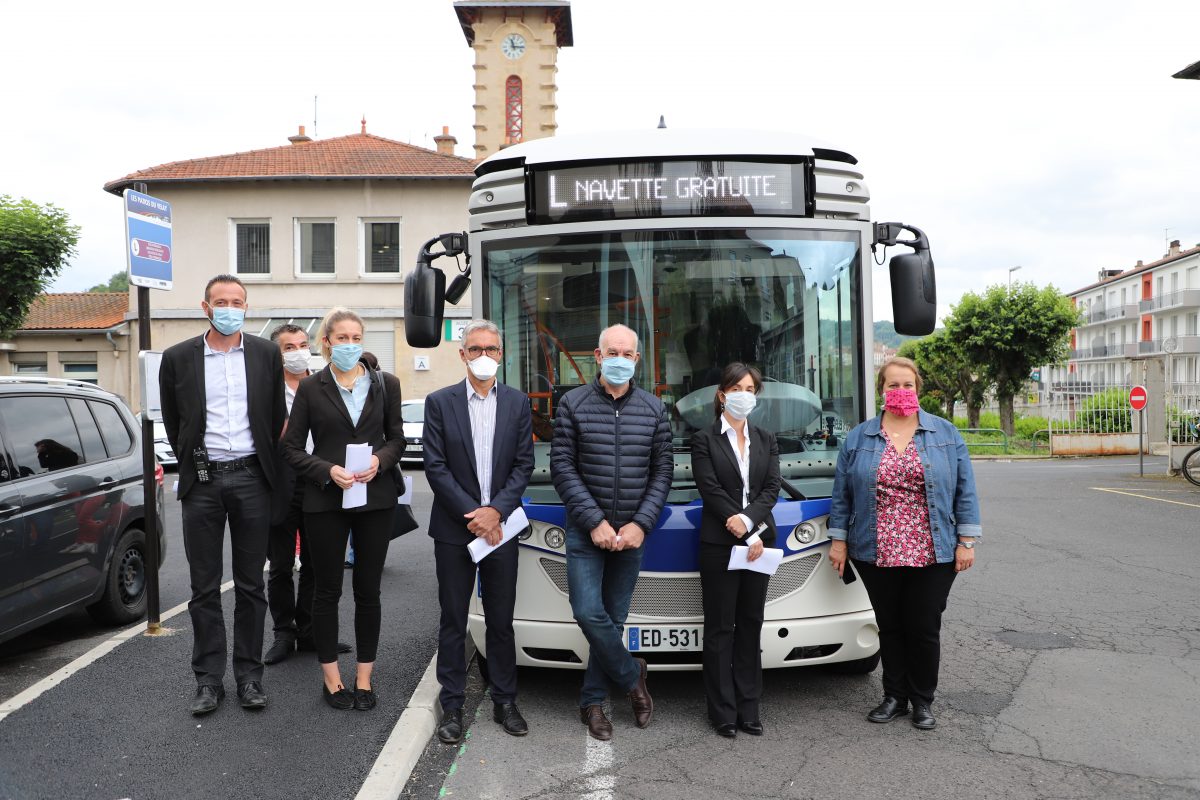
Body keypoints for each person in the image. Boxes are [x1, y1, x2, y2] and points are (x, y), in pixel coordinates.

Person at [827, 356, 981, 731]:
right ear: (881, 390)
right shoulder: (859, 437)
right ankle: (894, 696)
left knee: (924, 625)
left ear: (918, 389)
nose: (900, 392)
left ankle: (922, 701)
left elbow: (965, 490)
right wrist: (839, 541)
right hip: (875, 548)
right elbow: (842, 495)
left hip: (934, 549)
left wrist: (967, 540)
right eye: (892, 385)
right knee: (890, 626)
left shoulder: (945, 434)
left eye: (907, 385)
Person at [159, 274, 287, 715]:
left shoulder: (267, 353)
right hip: (203, 482)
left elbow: (275, 418)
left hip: (253, 478)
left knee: (252, 585)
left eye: (238, 301)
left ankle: (250, 677)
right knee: (204, 587)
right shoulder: (178, 358)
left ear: (246, 307)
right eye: (221, 301)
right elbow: (175, 421)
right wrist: (195, 460)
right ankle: (208, 681)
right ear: (205, 306)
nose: (230, 307)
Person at [550, 323, 672, 741]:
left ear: (637, 360)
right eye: (612, 352)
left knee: (614, 619)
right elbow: (562, 468)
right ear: (598, 357)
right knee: (588, 612)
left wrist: (641, 524)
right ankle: (631, 674)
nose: (620, 359)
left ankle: (593, 703)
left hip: (633, 534)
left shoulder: (655, 410)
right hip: (587, 533)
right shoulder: (572, 404)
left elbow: (663, 473)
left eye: (628, 353)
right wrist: (595, 522)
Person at [281, 308, 405, 711]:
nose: (349, 345)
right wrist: (327, 470)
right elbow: (292, 448)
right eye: (342, 338)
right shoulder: (311, 388)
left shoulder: (386, 384)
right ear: (327, 342)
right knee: (327, 589)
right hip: (326, 500)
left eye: (356, 338)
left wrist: (380, 462)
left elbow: (397, 438)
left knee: (368, 590)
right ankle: (332, 680)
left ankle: (364, 679)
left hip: (375, 497)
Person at [424, 320, 535, 745]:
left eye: (491, 348)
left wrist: (496, 513)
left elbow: (523, 464)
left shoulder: (517, 402)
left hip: (502, 530)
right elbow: (435, 466)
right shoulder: (440, 402)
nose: (484, 355)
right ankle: (452, 704)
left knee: (500, 620)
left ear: (501, 355)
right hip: (456, 529)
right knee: (453, 619)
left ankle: (505, 700)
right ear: (463, 354)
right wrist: (475, 514)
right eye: (475, 349)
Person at [689, 362, 781, 738]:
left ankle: (749, 708)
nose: (744, 394)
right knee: (720, 629)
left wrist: (750, 524)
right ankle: (722, 712)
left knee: (750, 626)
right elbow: (710, 489)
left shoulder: (766, 438)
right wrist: (740, 525)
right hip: (720, 544)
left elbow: (771, 488)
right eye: (737, 388)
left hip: (760, 542)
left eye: (750, 388)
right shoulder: (704, 439)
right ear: (722, 394)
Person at [263, 323, 350, 664]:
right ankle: (283, 633)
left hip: (322, 482)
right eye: (288, 347)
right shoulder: (266, 391)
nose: (298, 352)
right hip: (282, 486)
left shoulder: (322, 385)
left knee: (318, 564)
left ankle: (311, 632)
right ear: (277, 354)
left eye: (302, 344)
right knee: (282, 566)